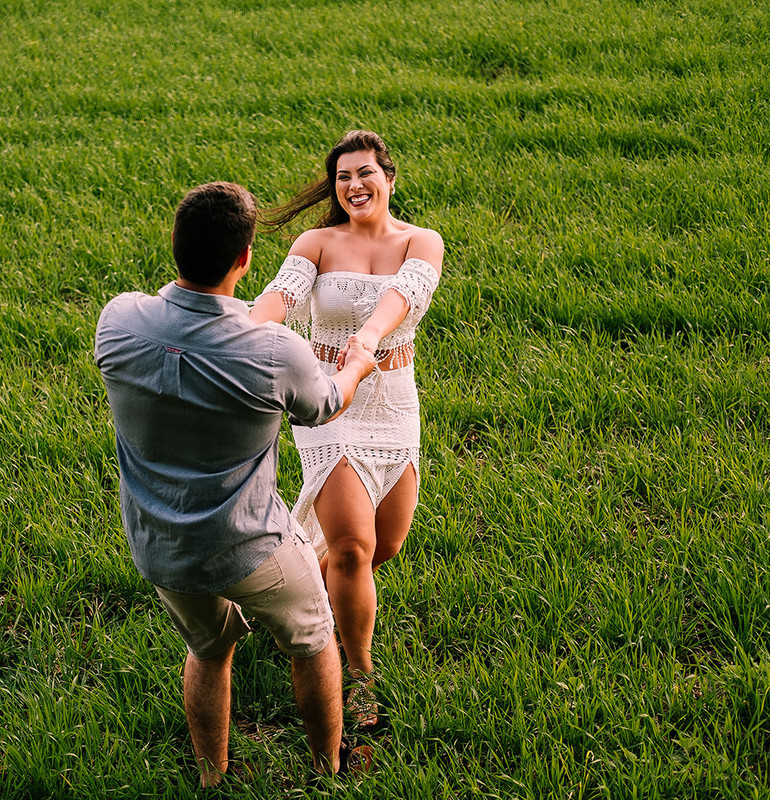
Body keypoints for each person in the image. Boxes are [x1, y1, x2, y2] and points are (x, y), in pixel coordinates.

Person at [95, 182, 378, 787]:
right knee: (313, 639)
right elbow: (323, 405)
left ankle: (210, 776)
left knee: (207, 648)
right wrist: (355, 362)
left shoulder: (117, 320)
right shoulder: (273, 350)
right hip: (252, 547)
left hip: (161, 547)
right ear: (245, 258)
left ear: (175, 246)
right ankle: (329, 766)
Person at [249, 130, 444, 731]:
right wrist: (240, 332)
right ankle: (357, 679)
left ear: (390, 178)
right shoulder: (317, 242)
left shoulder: (422, 241)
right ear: (334, 187)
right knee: (356, 549)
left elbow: (402, 299)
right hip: (329, 403)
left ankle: (303, 601)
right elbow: (279, 299)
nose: (354, 185)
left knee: (380, 547)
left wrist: (369, 338)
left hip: (394, 404)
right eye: (343, 177)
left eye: (365, 173)